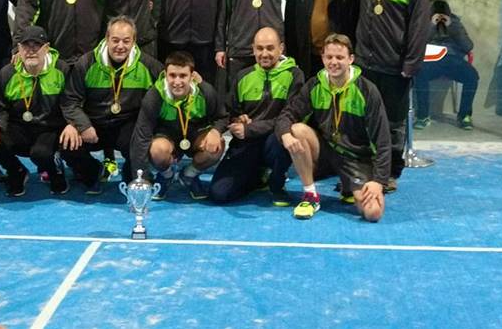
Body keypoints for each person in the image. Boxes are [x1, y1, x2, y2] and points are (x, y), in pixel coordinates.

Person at [276, 33, 391, 222]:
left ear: (351, 59)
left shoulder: (367, 90)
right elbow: (287, 115)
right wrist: (285, 135)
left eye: (339, 57)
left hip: (355, 159)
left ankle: (349, 186)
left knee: (373, 213)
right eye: (329, 57)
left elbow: (383, 141)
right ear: (322, 58)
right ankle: (310, 195)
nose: (334, 62)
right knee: (296, 130)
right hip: (325, 153)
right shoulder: (314, 85)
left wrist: (379, 181)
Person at [353, 0, 431, 192]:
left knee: (393, 124)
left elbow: (419, 27)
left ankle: (389, 173)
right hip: (364, 64)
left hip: (394, 66)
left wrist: (411, 64)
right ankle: (365, 170)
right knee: (364, 120)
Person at [61, 16, 163, 194]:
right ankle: (94, 171)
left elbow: (170, 87)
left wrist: (196, 83)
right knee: (67, 144)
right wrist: (81, 125)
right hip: (93, 124)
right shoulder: (86, 63)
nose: (120, 46)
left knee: (141, 140)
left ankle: (131, 174)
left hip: (128, 126)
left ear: (134, 41)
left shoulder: (149, 66)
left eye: (126, 41)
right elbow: (70, 100)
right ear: (107, 39)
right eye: (115, 40)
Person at [209, 27, 303, 206]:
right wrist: (234, 121)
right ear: (253, 49)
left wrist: (250, 128)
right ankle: (258, 176)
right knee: (219, 194)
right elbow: (229, 113)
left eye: (270, 48)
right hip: (247, 144)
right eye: (259, 48)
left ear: (281, 48)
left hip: (273, 140)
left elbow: (289, 118)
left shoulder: (294, 75)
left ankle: (277, 183)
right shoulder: (243, 76)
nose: (264, 54)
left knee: (285, 137)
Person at [0, 26, 78, 196]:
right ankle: (17, 171)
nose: (31, 51)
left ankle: (55, 171)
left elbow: (73, 101)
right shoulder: (6, 74)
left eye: (36, 45)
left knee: (41, 153)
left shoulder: (62, 70)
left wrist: (72, 124)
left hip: (50, 129)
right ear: (19, 49)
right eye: (26, 46)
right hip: (19, 128)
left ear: (47, 48)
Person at [130, 51, 226, 201]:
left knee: (217, 145)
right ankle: (166, 176)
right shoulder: (154, 95)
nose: (177, 81)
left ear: (192, 76)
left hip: (195, 134)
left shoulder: (206, 92)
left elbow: (223, 117)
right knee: (157, 150)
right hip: (166, 136)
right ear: (165, 75)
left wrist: (216, 131)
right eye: (172, 75)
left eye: (183, 76)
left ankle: (189, 175)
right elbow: (142, 136)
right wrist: (142, 179)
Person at [413, 0, 479, 130]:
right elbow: (417, 43)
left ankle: (464, 115)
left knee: (472, 77)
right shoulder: (424, 23)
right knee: (419, 74)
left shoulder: (455, 23)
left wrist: (452, 27)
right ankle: (423, 116)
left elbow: (468, 46)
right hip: (431, 60)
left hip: (453, 60)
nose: (440, 19)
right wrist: (431, 26)